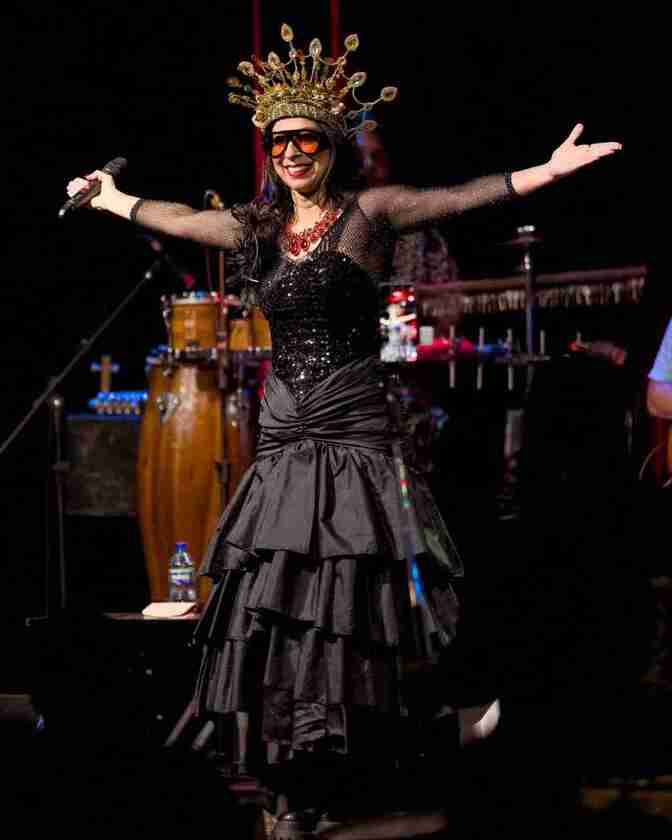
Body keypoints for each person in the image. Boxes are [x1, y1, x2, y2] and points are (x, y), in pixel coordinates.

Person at [66, 22, 622, 838]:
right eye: (279, 142)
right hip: (285, 433)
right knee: (285, 602)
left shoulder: (370, 214)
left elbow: (458, 197)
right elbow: (184, 220)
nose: (293, 153)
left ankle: (420, 733)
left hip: (354, 427)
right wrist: (114, 201)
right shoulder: (258, 227)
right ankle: (296, 778)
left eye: (308, 141)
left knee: (357, 598)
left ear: (331, 147)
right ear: (268, 151)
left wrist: (545, 171)